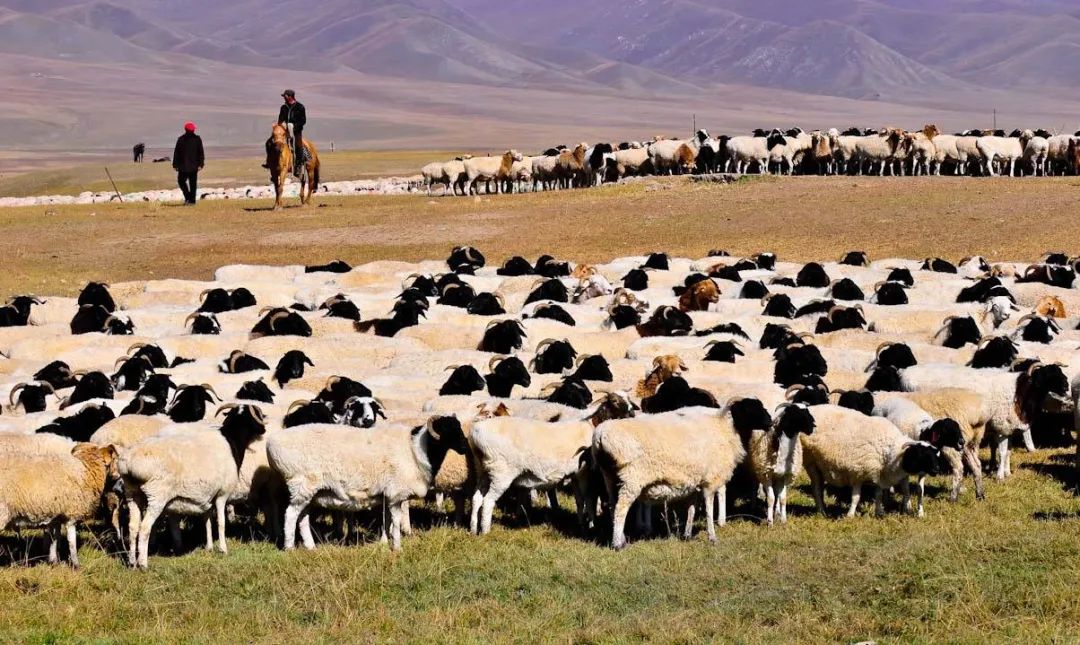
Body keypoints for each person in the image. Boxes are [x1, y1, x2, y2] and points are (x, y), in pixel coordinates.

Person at [265, 89, 307, 174]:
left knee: (298, 146)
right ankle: (270, 162)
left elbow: (303, 120)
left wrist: (294, 126)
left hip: (296, 131)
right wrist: (278, 126)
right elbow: (280, 119)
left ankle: (298, 166)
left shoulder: (300, 107)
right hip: (285, 131)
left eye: (285, 96)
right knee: (269, 143)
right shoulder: (283, 107)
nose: (284, 98)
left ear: (290, 97)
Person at [173, 122, 204, 205]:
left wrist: (175, 165)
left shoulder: (181, 139)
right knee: (193, 184)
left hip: (183, 166)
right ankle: (191, 200)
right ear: (193, 130)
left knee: (181, 181)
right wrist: (201, 164)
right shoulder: (197, 139)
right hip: (193, 166)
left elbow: (176, 153)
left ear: (185, 129)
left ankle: (188, 198)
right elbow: (201, 153)